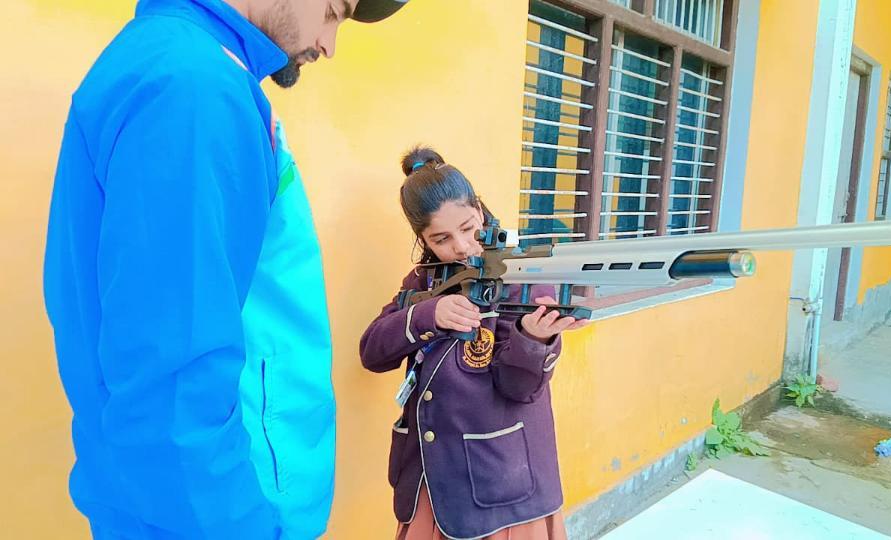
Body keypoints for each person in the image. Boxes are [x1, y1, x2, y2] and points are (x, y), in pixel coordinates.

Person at [43, 1, 410, 538]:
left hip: (180, 506)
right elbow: (173, 381)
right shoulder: (195, 91)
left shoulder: (179, 66)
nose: (329, 45)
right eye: (334, 11)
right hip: (217, 515)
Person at [360, 146, 587, 540]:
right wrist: (428, 315)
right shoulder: (424, 280)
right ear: (423, 239)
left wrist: (535, 338)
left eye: (468, 228)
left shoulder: (522, 275)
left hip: (500, 487)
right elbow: (371, 352)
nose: (462, 246)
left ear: (479, 211)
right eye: (442, 238)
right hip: (431, 478)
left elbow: (519, 388)